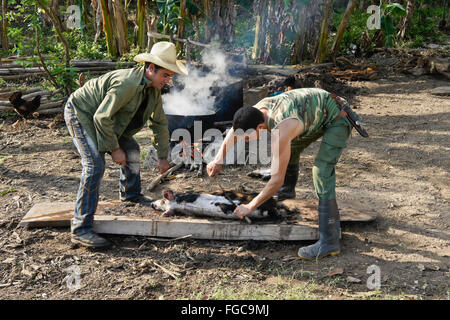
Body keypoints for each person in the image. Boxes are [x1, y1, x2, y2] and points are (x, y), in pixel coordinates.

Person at [207, 88, 365, 260]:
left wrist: (250, 206)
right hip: (312, 114)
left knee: (322, 170)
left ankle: (329, 241)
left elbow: (276, 179)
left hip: (337, 117)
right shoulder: (257, 111)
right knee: (291, 148)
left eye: (247, 138)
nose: (246, 141)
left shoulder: (280, 131)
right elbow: (234, 131)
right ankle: (287, 192)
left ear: (260, 127)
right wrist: (218, 160)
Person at [64, 41, 188, 248]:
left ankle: (130, 194)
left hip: (105, 118)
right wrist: (114, 149)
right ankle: (80, 229)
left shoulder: (153, 90)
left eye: (169, 77)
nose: (167, 81)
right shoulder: (126, 83)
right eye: (164, 75)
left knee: (132, 149)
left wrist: (163, 156)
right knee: (95, 165)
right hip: (81, 113)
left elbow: (159, 123)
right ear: (150, 68)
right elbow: (101, 118)